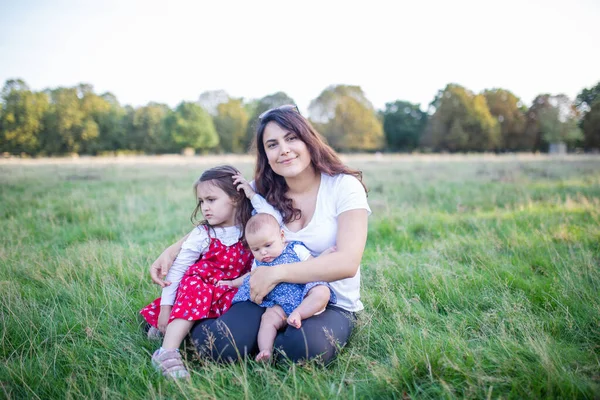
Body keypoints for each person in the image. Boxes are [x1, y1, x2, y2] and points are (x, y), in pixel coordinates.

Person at [150, 104, 370, 365]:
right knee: (220, 347)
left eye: (291, 138)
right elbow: (222, 216)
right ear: (265, 154)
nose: (284, 150)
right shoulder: (259, 191)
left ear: (308, 140)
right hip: (267, 295)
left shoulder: (344, 187)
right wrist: (173, 249)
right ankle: (177, 327)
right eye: (272, 144)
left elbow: (347, 262)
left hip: (326, 299)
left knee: (301, 351)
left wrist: (275, 272)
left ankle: (268, 340)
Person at [140, 165, 254, 379]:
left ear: (236, 198)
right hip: (201, 288)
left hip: (231, 288)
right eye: (201, 202)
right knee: (196, 290)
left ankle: (166, 331)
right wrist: (166, 308)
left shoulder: (251, 228)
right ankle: (167, 353)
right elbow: (178, 270)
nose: (205, 208)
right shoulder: (203, 233)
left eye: (211, 200)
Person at [226, 212, 336, 362]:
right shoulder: (258, 263)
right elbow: (250, 276)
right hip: (279, 304)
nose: (263, 252)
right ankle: (266, 350)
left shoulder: (295, 249)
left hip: (303, 293)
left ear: (282, 236)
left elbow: (313, 264)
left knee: (322, 292)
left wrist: (326, 255)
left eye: (268, 245)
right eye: (256, 249)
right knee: (267, 319)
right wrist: (232, 283)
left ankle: (299, 313)